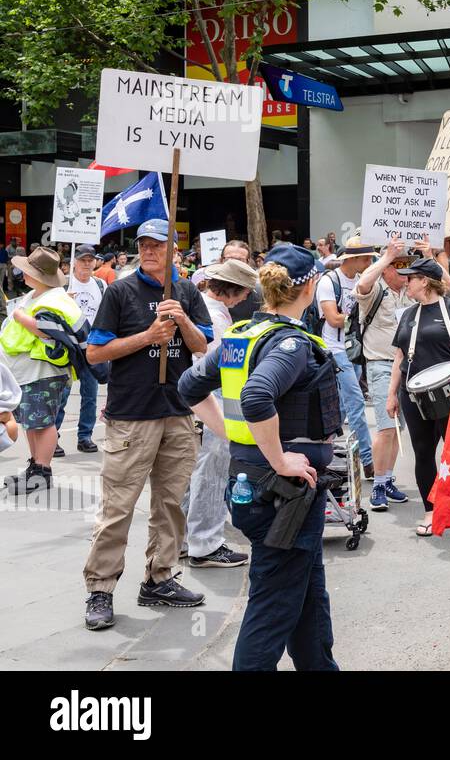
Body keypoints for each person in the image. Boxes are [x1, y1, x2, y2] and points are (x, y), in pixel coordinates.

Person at [179, 244, 342, 670]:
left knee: (307, 594)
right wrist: (279, 459)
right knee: (272, 606)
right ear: (308, 288)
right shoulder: (289, 343)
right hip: (282, 492)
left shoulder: (242, 334)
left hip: (262, 487)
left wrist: (237, 437)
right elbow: (256, 398)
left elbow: (188, 388)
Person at [82, 219, 214, 631]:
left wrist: (182, 321)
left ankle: (159, 577)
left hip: (177, 410)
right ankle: (100, 589)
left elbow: (202, 345)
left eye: (158, 244)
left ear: (173, 249)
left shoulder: (188, 291)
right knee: (117, 508)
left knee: (170, 505)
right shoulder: (121, 291)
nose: (149, 251)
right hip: (131, 415)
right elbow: (94, 354)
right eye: (143, 244)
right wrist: (147, 336)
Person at [181, 258, 258, 570]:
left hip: (201, 396)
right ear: (233, 290)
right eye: (243, 292)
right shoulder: (215, 316)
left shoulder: (205, 307)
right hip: (215, 397)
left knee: (199, 469)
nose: (245, 299)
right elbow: (220, 367)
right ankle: (205, 542)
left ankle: (190, 537)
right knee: (211, 469)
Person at [385, 259, 450, 537]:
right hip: (413, 394)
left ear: (425, 281)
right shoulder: (408, 314)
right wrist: (391, 395)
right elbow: (399, 356)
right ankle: (431, 512)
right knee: (423, 454)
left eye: (410, 278)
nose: (405, 282)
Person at [1, 247, 82, 490]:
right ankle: (36, 467)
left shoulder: (53, 298)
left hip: (43, 373)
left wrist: (20, 317)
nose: (21, 273)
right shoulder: (40, 294)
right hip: (31, 373)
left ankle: (42, 470)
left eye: (27, 270)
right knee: (32, 422)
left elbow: (47, 329)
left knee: (43, 422)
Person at [354, 236, 415, 510]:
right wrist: (386, 257)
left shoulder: (409, 292)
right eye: (398, 265)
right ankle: (378, 484)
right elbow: (363, 283)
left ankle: (387, 479)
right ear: (387, 267)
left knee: (397, 429)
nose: (403, 270)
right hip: (380, 365)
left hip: (405, 367)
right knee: (387, 427)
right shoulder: (374, 290)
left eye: (406, 265)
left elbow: (445, 286)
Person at [315, 237, 377, 477]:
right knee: (356, 403)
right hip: (335, 349)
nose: (370, 262)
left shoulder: (361, 280)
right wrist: (360, 314)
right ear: (352, 259)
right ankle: (369, 462)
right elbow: (333, 318)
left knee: (340, 407)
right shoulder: (329, 281)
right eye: (366, 258)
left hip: (354, 350)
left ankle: (323, 450)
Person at [58, 244, 108, 453]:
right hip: (68, 345)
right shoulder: (63, 285)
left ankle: (85, 436)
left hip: (92, 345)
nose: (87, 264)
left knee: (90, 393)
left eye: (90, 260)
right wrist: (63, 302)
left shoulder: (100, 284)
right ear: (74, 262)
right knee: (62, 393)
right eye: (83, 260)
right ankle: (52, 437)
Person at [222, 240, 263, 323]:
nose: (234, 264)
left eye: (240, 260)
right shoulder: (209, 290)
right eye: (229, 259)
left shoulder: (260, 291)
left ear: (247, 262)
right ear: (222, 260)